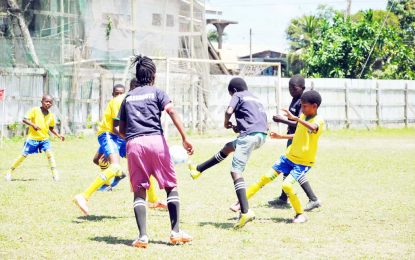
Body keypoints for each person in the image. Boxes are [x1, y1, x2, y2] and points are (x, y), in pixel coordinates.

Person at [118, 55, 194, 248]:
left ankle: (142, 237)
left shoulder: (127, 97)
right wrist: (185, 137)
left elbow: (121, 130)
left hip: (134, 143)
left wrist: (134, 141)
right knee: (170, 186)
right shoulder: (158, 93)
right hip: (156, 142)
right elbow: (172, 112)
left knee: (139, 190)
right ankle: (175, 232)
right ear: (153, 75)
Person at [188, 77, 268, 229]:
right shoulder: (255, 98)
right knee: (228, 147)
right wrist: (239, 127)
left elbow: (229, 110)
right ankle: (198, 169)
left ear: (234, 91)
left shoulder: (238, 95)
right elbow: (255, 119)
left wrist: (226, 122)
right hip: (261, 136)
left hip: (249, 137)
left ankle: (245, 211)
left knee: (235, 171)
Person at [240, 90, 324, 223]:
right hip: (288, 157)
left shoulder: (319, 121)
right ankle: (240, 203)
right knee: (265, 177)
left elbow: (313, 128)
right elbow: (299, 135)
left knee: (287, 186)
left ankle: (300, 214)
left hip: (302, 162)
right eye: (301, 105)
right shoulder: (302, 116)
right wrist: (281, 137)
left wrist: (295, 118)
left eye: (305, 106)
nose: (302, 108)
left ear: (315, 106)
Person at [268, 75, 321, 211]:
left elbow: (299, 122)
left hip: (299, 139)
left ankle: (313, 198)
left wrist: (282, 120)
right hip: (293, 136)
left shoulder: (303, 103)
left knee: (293, 168)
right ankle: (284, 198)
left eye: (294, 88)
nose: (291, 90)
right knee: (288, 166)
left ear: (302, 88)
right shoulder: (296, 100)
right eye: (290, 88)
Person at [4, 95, 64, 181]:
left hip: (44, 139)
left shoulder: (51, 115)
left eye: (50, 102)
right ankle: (9, 172)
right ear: (42, 102)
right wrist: (33, 125)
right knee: (23, 156)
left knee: (50, 154)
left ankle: (55, 175)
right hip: (32, 139)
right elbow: (24, 119)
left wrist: (58, 135)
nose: (48, 103)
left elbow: (51, 128)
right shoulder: (35, 110)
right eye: (46, 101)